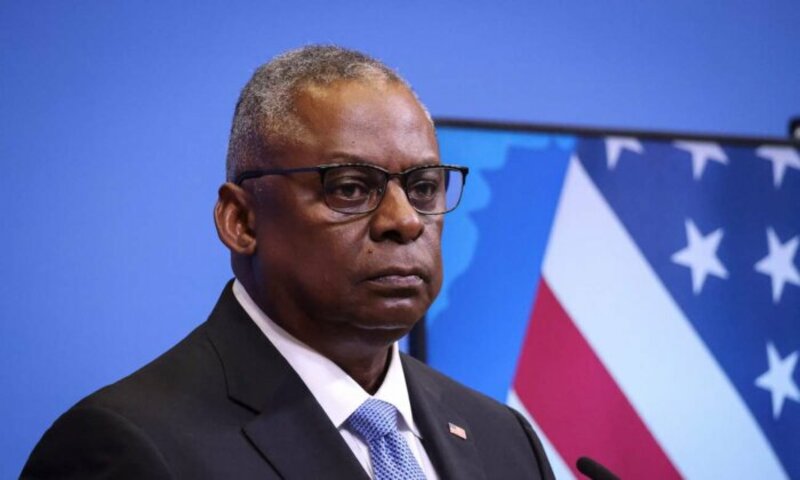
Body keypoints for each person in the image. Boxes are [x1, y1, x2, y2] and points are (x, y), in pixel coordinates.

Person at [22, 45, 554, 479]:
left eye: (423, 188)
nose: (405, 221)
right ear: (242, 221)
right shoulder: (129, 448)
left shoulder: (505, 440)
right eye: (350, 188)